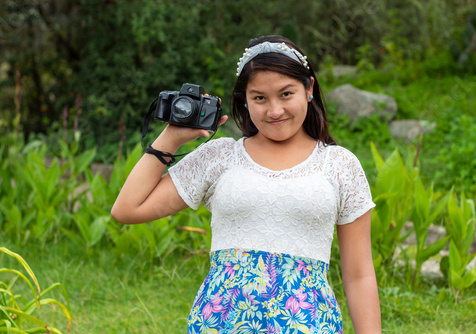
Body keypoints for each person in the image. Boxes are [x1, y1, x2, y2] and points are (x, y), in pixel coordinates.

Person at [111, 35, 381, 334]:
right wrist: (171, 137)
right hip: (222, 323)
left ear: (309, 89)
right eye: (259, 98)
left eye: (286, 94)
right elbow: (127, 209)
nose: (274, 110)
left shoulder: (340, 165)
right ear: (244, 100)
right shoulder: (221, 156)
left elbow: (359, 275)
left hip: (308, 323)